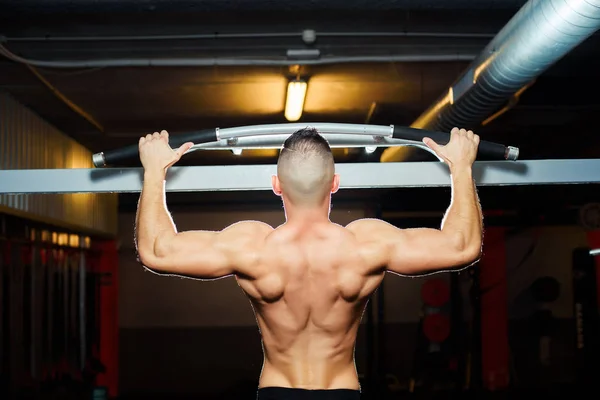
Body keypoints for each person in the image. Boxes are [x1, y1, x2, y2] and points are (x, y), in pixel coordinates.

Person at [134, 127, 483, 400]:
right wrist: (461, 167)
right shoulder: (365, 245)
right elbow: (462, 246)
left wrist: (154, 171)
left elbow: (157, 251)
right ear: (334, 184)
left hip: (276, 392)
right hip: (341, 392)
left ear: (276, 185)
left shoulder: (252, 246)